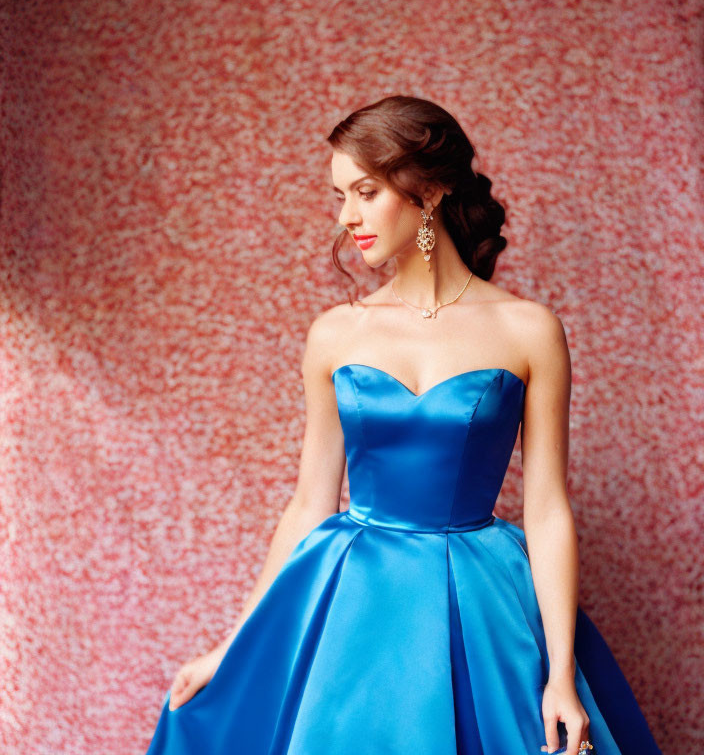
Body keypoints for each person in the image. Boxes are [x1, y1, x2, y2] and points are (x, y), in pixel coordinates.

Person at [145, 96, 663, 755]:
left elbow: (549, 508)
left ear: (432, 190)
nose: (345, 216)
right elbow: (309, 503)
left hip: (480, 599)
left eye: (365, 191)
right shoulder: (336, 333)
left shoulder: (529, 330)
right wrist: (234, 645)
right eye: (341, 194)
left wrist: (560, 674)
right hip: (352, 597)